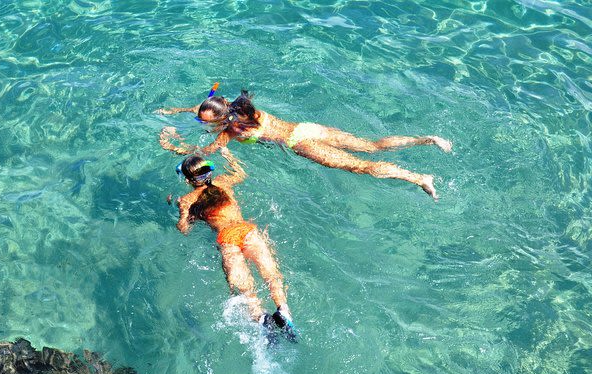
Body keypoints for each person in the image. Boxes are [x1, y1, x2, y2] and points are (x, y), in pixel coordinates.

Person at [158, 86, 453, 199]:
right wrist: (179, 111)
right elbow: (210, 107)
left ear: (220, 119)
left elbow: (205, 154)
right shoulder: (243, 110)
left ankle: (419, 178)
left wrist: (173, 146)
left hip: (302, 144)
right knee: (371, 145)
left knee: (362, 167)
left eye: (203, 119)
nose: (201, 120)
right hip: (307, 128)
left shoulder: (232, 131)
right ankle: (428, 139)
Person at [174, 152, 297, 342]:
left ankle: (262, 319)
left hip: (228, 238)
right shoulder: (224, 181)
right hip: (247, 230)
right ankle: (283, 310)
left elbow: (183, 229)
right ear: (209, 172)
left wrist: (180, 209)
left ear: (189, 180)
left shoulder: (188, 199)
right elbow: (241, 173)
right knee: (271, 275)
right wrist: (229, 155)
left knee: (246, 290)